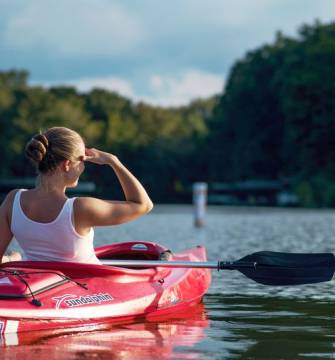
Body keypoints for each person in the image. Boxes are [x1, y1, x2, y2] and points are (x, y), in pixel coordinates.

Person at [0, 127, 153, 264]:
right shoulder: (80, 208)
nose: (83, 166)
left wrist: (12, 259)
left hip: (40, 288)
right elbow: (144, 205)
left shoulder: (13, 200)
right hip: (87, 289)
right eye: (81, 160)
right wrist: (113, 161)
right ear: (67, 165)